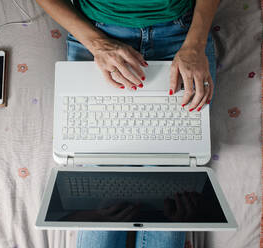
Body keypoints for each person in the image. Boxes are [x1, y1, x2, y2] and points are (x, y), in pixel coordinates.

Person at [36, 0, 219, 246]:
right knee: (99, 177)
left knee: (173, 175)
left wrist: (195, 45)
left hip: (182, 35)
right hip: (96, 31)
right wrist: (98, 45)